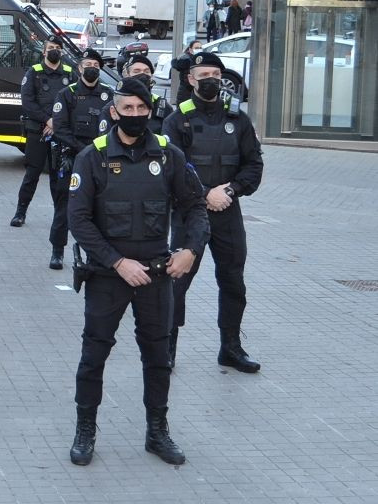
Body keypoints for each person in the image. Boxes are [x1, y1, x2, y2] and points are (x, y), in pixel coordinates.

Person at [67, 77, 207, 467]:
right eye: (126, 108)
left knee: (158, 356)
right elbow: (78, 220)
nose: (133, 115)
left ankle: (157, 430)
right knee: (94, 355)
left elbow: (195, 206)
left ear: (150, 111)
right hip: (109, 275)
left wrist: (190, 251)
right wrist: (116, 262)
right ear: (113, 112)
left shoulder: (167, 154)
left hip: (156, 275)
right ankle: (84, 430)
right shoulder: (92, 156)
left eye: (140, 109)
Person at [165, 51, 264, 373]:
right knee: (177, 281)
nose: (210, 81)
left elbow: (253, 166)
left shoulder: (238, 119)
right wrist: (206, 194)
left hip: (228, 213)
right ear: (190, 79)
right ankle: (167, 348)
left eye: (216, 76)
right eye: (203, 75)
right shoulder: (177, 120)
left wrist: (230, 191)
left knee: (233, 281)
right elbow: (173, 170)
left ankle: (230, 348)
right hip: (190, 214)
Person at [48, 49, 112, 270]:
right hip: (72, 158)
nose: (92, 68)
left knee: (100, 208)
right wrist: (83, 149)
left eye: (95, 64)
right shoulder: (67, 94)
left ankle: (99, 255)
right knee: (64, 207)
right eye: (88, 64)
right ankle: (57, 251)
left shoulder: (108, 95)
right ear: (79, 68)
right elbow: (60, 128)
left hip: (100, 159)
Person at [11, 36, 73, 227]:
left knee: (58, 178)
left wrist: (56, 123)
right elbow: (28, 102)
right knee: (32, 174)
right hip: (38, 132)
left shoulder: (70, 73)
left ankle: (60, 217)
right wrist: (48, 120)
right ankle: (20, 213)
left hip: (61, 134)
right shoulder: (34, 72)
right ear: (44, 52)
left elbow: (74, 101)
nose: (55, 50)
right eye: (51, 47)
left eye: (58, 48)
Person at [115, 54, 170, 134]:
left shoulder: (163, 107)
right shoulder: (115, 105)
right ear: (127, 74)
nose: (142, 74)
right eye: (136, 71)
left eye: (146, 71)